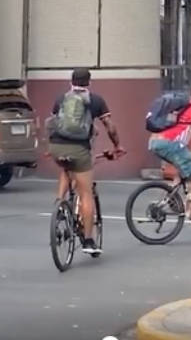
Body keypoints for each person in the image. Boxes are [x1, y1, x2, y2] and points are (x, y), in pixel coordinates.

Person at [48, 68, 122, 255]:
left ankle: (59, 205)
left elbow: (54, 122)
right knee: (86, 192)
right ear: (89, 82)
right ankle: (89, 240)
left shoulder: (61, 99)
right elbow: (110, 127)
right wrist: (117, 145)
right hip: (79, 149)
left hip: (56, 146)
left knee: (65, 168)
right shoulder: (96, 100)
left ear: (71, 81)